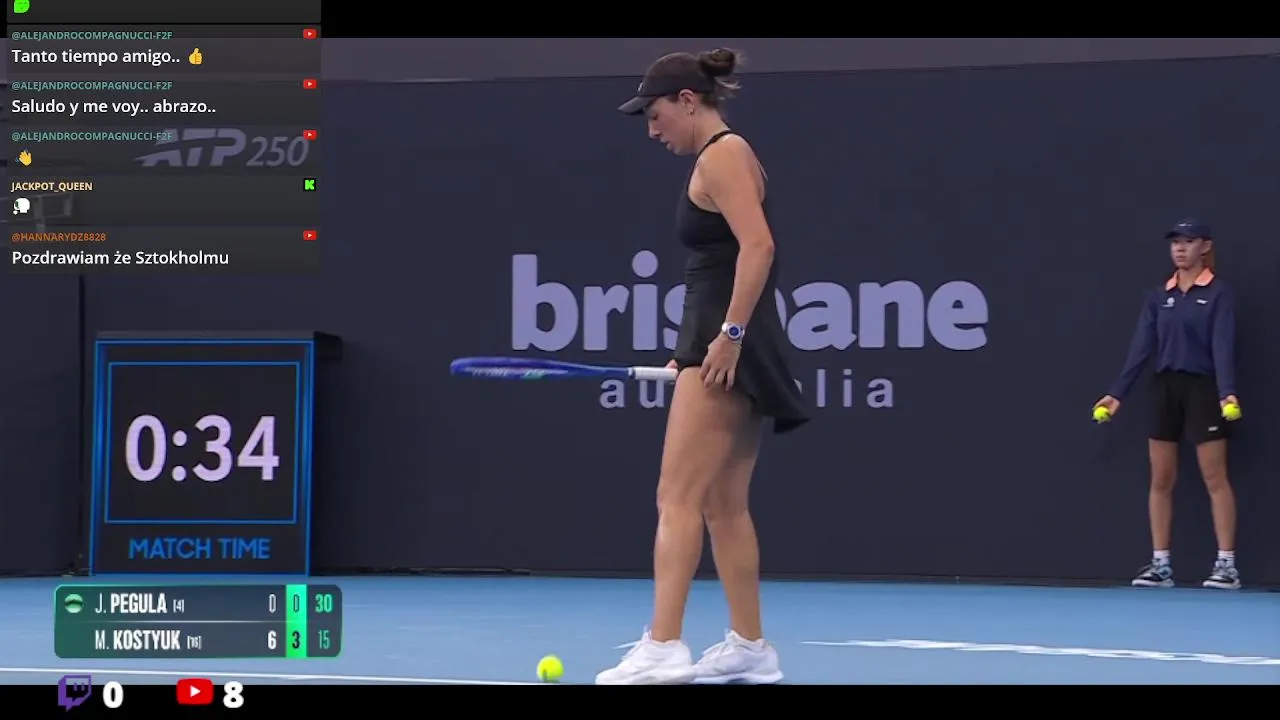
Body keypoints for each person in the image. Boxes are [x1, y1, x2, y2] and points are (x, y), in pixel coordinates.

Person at [595, 48, 809, 685]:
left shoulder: (722, 154)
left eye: (656, 115)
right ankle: (750, 646)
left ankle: (663, 646)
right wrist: (700, 342)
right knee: (722, 503)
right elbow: (720, 266)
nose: (652, 130)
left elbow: (759, 247)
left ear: (688, 101)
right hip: (723, 345)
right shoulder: (725, 156)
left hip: (728, 348)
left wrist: (727, 337)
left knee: (677, 497)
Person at [1094, 218, 1242, 590]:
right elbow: (1141, 348)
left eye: (1188, 242)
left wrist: (1227, 391)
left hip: (1205, 389)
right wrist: (1117, 393)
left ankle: (1226, 565)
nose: (1180, 248)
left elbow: (1223, 345)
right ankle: (1161, 565)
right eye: (1175, 242)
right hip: (1165, 389)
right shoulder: (1159, 295)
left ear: (1205, 247)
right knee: (1161, 478)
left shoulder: (1218, 294)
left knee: (1214, 477)